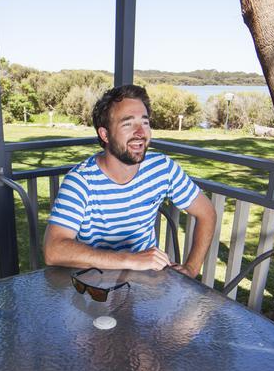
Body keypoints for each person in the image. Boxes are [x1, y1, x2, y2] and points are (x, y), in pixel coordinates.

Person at [43, 84, 217, 277]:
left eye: (145, 122)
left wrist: (191, 268)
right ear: (105, 134)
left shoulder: (162, 168)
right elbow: (53, 250)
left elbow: (206, 213)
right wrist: (132, 260)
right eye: (127, 124)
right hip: (96, 287)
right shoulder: (81, 181)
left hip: (147, 284)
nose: (141, 132)